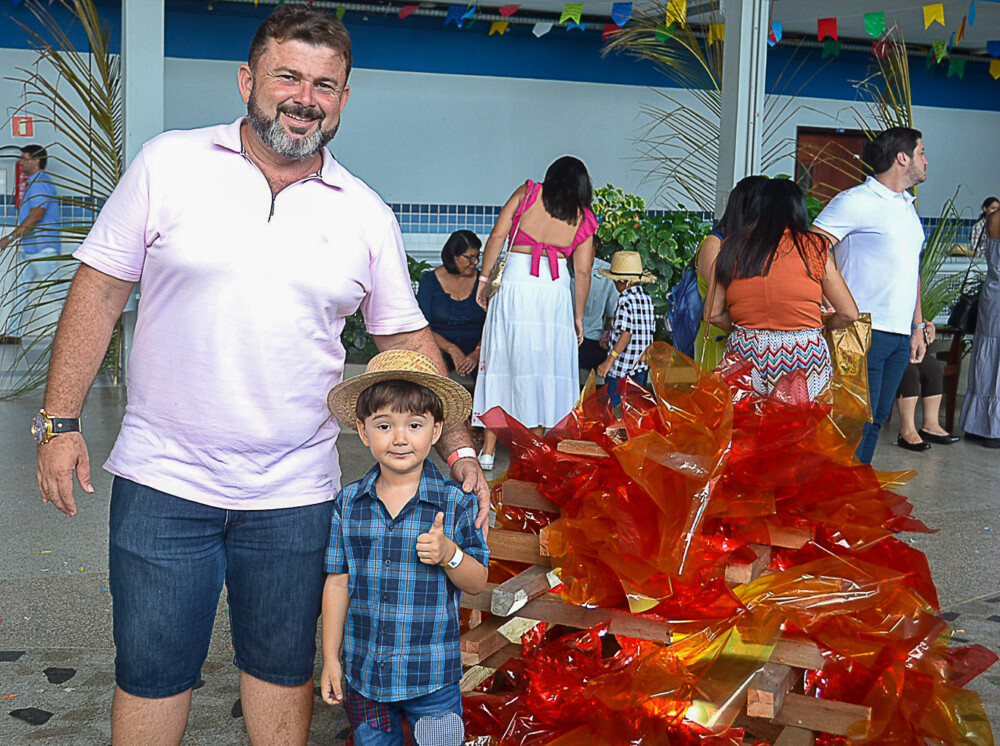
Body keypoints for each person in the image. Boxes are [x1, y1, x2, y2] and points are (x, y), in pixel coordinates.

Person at [32, 7, 489, 744]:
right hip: (163, 480)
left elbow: (406, 339)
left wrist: (460, 447)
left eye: (325, 85)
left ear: (343, 99)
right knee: (151, 671)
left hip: (293, 494)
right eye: (288, 77)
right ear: (248, 80)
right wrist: (59, 422)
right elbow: (100, 288)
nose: (305, 99)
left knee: (281, 669)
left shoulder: (365, 214)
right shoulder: (169, 164)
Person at [321, 350, 489, 745]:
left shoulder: (455, 502)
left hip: (432, 679)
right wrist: (330, 659)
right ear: (363, 432)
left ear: (436, 430)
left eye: (414, 425)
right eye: (384, 425)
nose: (399, 438)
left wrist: (449, 554)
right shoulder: (349, 503)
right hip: (366, 676)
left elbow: (478, 581)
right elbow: (337, 582)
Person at [472, 156, 597, 470]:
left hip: (515, 282)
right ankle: (531, 450)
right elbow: (583, 272)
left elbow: (497, 237)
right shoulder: (583, 217)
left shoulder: (527, 193)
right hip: (553, 291)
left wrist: (484, 280)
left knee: (501, 360)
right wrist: (578, 317)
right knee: (543, 365)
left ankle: (487, 450)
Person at [813, 127, 929, 463]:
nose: (925, 161)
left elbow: (911, 270)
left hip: (898, 333)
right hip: (861, 329)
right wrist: (831, 302)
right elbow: (814, 247)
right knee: (853, 420)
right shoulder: (855, 201)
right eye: (921, 153)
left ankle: (857, 487)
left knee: (876, 419)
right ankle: (837, 489)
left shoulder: (906, 207)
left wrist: (917, 326)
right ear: (902, 158)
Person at [706, 179, 858, 403]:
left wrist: (746, 329)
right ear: (798, 210)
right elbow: (849, 313)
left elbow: (712, 314)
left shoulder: (730, 247)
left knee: (746, 423)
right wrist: (821, 328)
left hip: (744, 354)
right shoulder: (814, 247)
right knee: (799, 424)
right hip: (804, 355)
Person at [694, 175, 767, 368]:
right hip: (719, 343)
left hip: (746, 347)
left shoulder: (751, 243)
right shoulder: (714, 243)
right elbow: (719, 306)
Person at [1, 145, 61, 344]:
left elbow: (37, 215)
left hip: (42, 249)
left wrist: (10, 238)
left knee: (58, 291)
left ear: (36, 161)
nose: (21, 162)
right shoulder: (34, 183)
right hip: (31, 248)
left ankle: (85, 327)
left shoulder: (39, 183)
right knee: (20, 290)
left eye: (24, 159)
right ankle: (13, 333)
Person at [416, 230, 486, 377]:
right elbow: (422, 327)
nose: (475, 262)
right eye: (470, 257)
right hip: (439, 347)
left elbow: (492, 323)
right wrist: (451, 349)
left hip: (478, 349)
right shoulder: (429, 282)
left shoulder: (482, 282)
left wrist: (478, 352)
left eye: (477, 256)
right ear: (453, 256)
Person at [959, 207, 1000, 447]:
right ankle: (994, 429)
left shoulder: (993, 217)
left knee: (987, 358)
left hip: (992, 295)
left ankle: (976, 425)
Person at [595, 251, 656, 407]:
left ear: (622, 282)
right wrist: (609, 338)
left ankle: (617, 424)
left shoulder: (625, 301)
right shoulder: (647, 300)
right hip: (640, 366)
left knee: (616, 407)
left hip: (621, 369)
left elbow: (626, 334)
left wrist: (609, 360)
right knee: (634, 406)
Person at [895, 322, 959, 451]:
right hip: (891, 346)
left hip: (909, 346)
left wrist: (929, 326)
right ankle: (907, 431)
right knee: (910, 372)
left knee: (934, 368)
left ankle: (930, 426)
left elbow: (919, 318)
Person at [575, 256, 619, 372]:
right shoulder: (560, 264)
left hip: (593, 341)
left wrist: (607, 337)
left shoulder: (605, 271)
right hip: (564, 339)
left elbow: (612, 318)